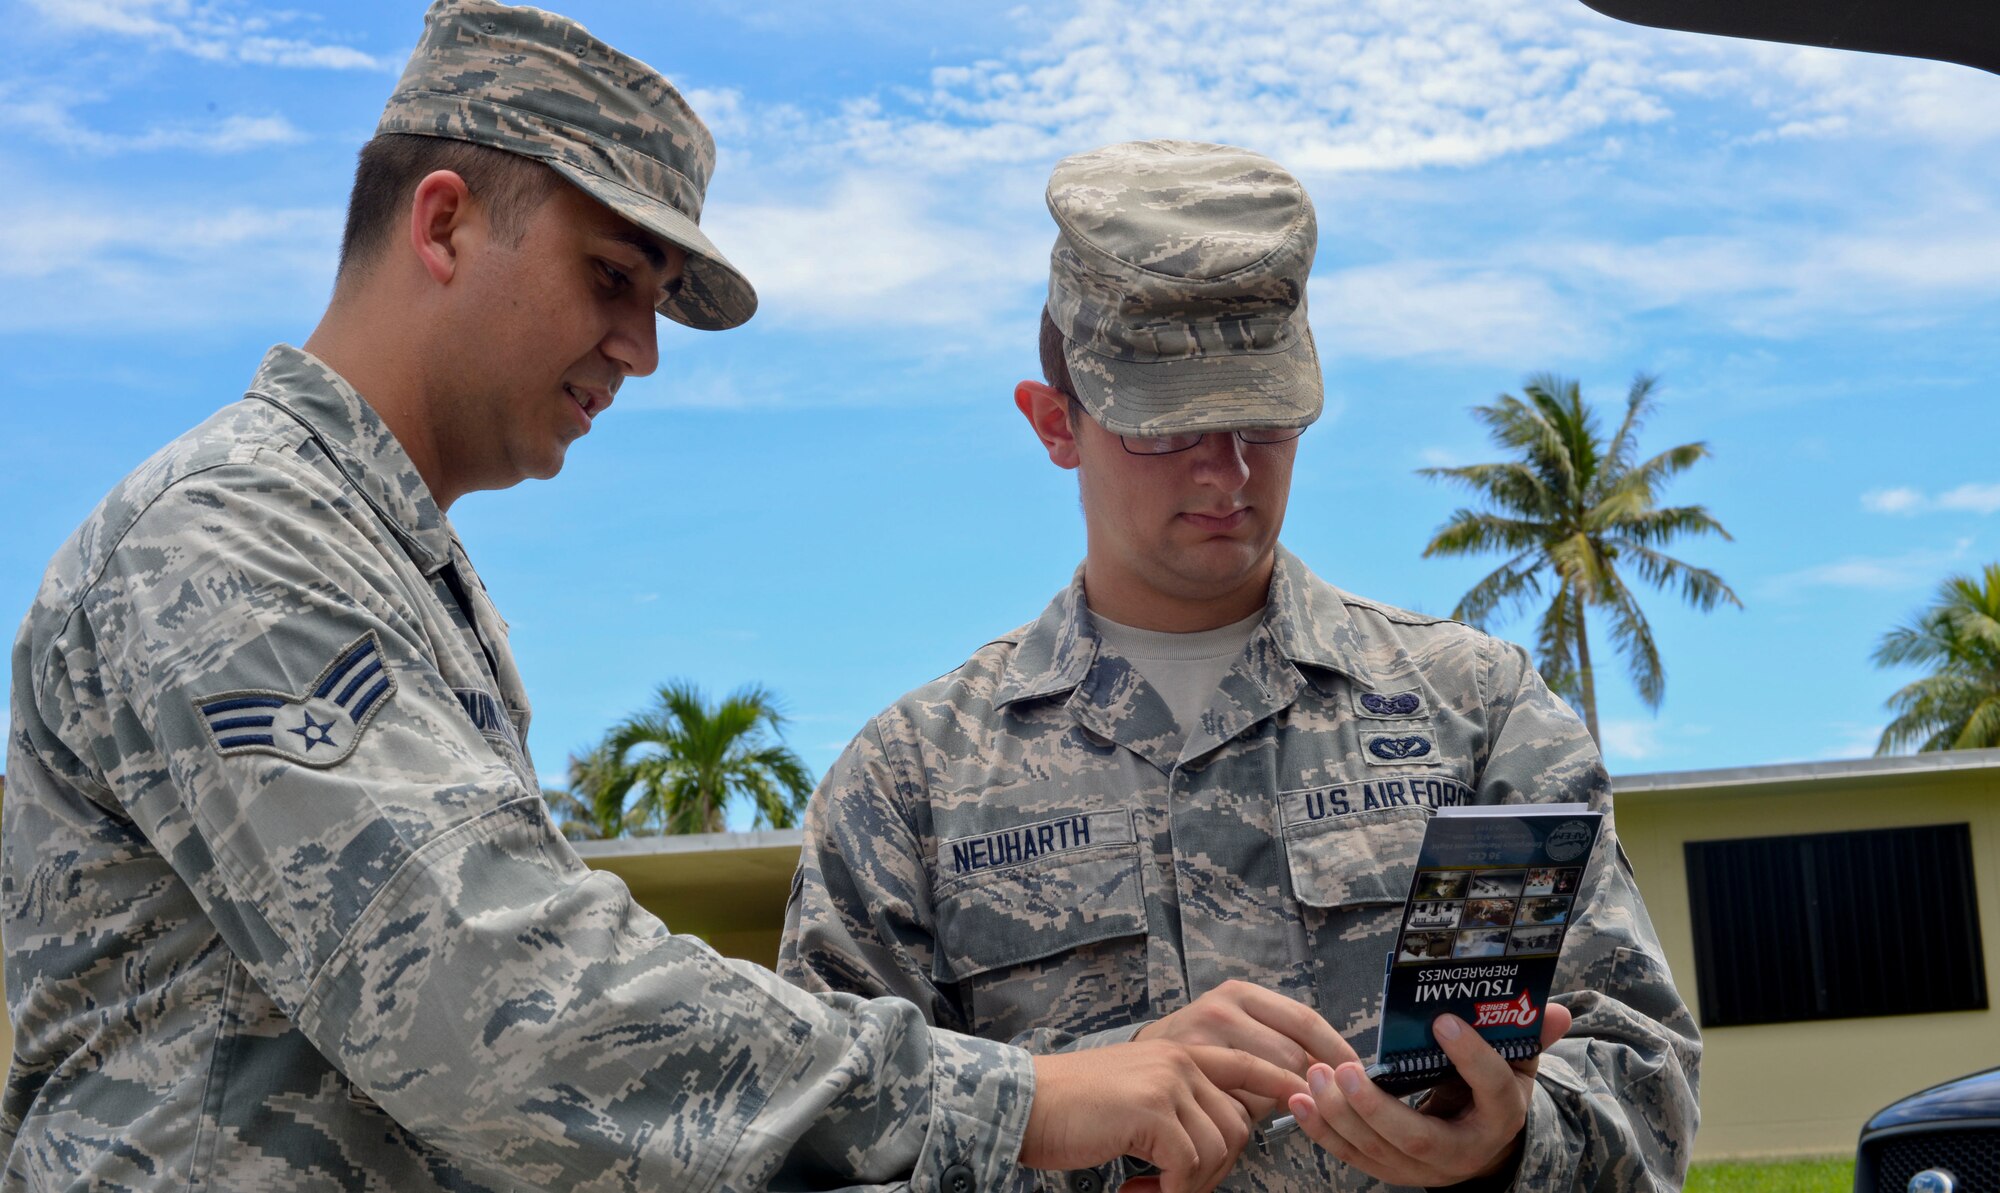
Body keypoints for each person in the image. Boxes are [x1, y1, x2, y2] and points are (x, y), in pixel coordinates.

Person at [0, 9, 1303, 1189]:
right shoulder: (234, 540)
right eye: (612, 278)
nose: (642, 347)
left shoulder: (386, 561)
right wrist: (1025, 1095)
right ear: (442, 222)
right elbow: (492, 1004)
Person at [781, 140, 1701, 1192]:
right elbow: (819, 1152)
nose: (1226, 471)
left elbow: (1644, 1079)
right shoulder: (913, 781)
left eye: (1263, 418)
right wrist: (1079, 1132)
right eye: (1167, 426)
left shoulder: (1478, 714)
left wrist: (1508, 1141)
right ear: (1054, 423)